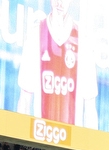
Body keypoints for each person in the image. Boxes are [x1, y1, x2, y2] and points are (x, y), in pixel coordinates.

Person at [16, 0, 98, 129]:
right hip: (40, 136)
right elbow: (25, 99)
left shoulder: (83, 41)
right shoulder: (35, 35)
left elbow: (90, 107)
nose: (59, 3)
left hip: (73, 142)